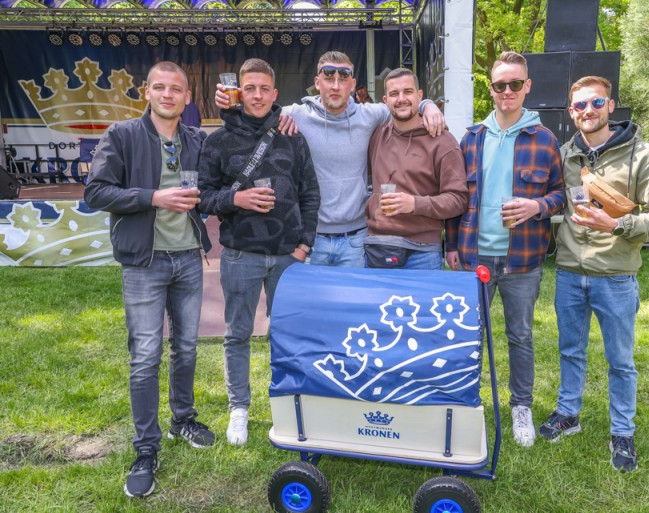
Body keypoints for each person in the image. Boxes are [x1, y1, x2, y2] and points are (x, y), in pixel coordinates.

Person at [84, 61, 214, 498]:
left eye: (176, 88)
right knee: (144, 356)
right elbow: (96, 192)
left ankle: (183, 420)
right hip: (144, 262)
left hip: (188, 260)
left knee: (188, 347)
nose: (168, 94)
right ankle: (146, 448)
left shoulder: (196, 139)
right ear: (146, 92)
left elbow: (213, 185)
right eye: (160, 87)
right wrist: (152, 197)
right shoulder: (121, 136)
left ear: (188, 97)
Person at [537, 76, 649, 472]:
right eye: (579, 106)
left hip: (615, 276)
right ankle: (568, 414)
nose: (587, 111)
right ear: (571, 112)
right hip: (568, 273)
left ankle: (622, 433)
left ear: (610, 106)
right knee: (569, 351)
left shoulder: (643, 155)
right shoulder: (566, 155)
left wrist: (615, 225)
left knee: (620, 361)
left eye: (596, 103)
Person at [215, 51, 445, 267]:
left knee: (350, 309)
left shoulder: (369, 115)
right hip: (310, 239)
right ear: (317, 83)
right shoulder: (294, 115)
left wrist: (429, 106)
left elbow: (403, 106)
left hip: (355, 239)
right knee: (308, 309)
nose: (335, 85)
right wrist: (228, 108)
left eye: (343, 78)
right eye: (329, 77)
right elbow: (253, 115)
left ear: (353, 85)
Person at [445, 51, 565, 448]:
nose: (507, 91)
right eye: (500, 85)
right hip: (473, 257)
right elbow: (457, 197)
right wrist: (451, 245)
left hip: (523, 260)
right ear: (491, 89)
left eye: (515, 84)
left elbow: (561, 194)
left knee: (521, 337)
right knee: (468, 335)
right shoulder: (471, 138)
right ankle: (467, 404)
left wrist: (537, 206)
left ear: (527, 86)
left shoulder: (545, 140)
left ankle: (521, 408)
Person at [198, 59, 320, 446]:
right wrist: (237, 198)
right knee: (237, 335)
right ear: (239, 92)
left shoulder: (291, 135)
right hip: (240, 255)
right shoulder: (216, 141)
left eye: (264, 89)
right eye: (249, 88)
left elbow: (310, 193)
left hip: (288, 256)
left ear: (274, 93)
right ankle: (239, 409)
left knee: (288, 334)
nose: (257, 95)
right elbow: (201, 198)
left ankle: (285, 404)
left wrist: (305, 244)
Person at [365, 68, 467, 269]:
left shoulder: (442, 141)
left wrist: (414, 204)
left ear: (419, 96)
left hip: (423, 251)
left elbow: (459, 200)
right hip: (379, 245)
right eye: (394, 94)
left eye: (408, 92)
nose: (401, 99)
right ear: (385, 100)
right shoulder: (376, 136)